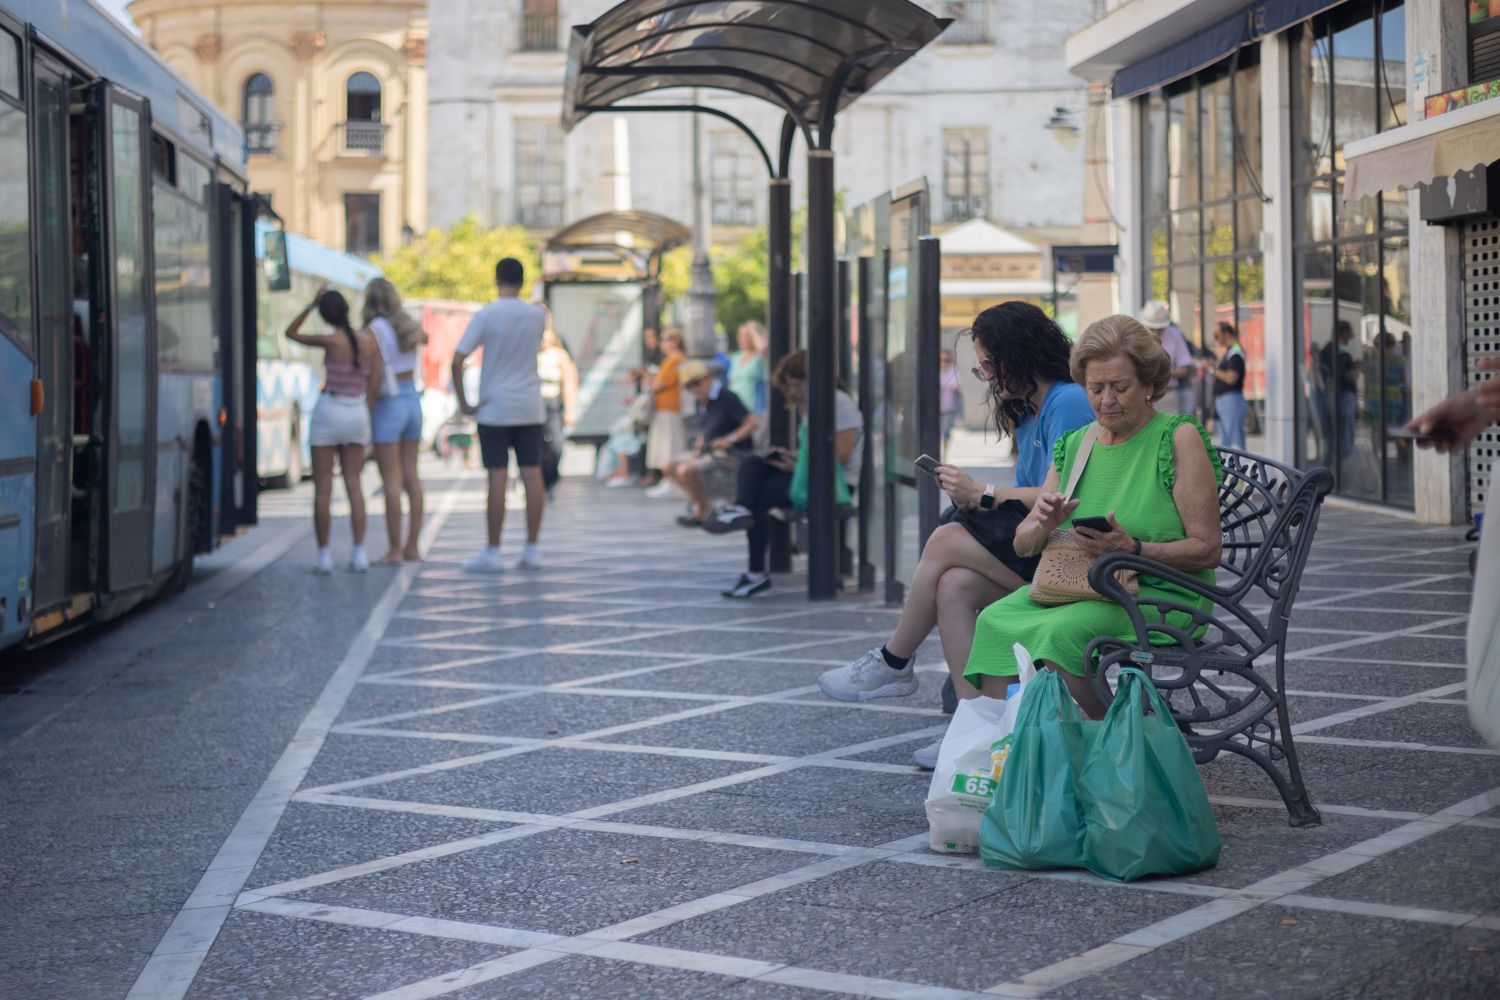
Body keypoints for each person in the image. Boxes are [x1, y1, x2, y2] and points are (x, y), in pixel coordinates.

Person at [816, 302, 1095, 768]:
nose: (985, 375)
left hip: (1069, 557)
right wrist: (981, 497)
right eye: (980, 365)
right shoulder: (1029, 412)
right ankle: (973, 732)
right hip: (1037, 548)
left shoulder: (1067, 401)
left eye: (989, 363)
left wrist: (984, 493)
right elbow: (1026, 496)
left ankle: (894, 660)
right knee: (954, 585)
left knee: (946, 540)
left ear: (1017, 353)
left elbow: (1061, 495)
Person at [961, 314, 1223, 718]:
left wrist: (1133, 548)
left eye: (1120, 387)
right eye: (1095, 388)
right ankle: (1011, 745)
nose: (1106, 401)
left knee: (1058, 634)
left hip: (1163, 596)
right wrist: (1044, 522)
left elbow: (1207, 550)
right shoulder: (1077, 443)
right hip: (1083, 587)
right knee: (995, 622)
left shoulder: (1177, 436)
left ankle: (1111, 739)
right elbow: (1023, 542)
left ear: (1149, 385)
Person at [705, 350, 862, 598]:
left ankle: (754, 568)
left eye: (796, 385)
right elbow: (816, 453)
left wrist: (800, 464)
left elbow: (840, 454)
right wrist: (793, 459)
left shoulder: (838, 402)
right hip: (813, 477)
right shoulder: (810, 404)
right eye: (788, 386)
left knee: (759, 496)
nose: (791, 392)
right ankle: (741, 511)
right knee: (754, 463)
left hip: (836, 483)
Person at [451, 258, 547, 573]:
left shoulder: (487, 315)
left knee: (497, 479)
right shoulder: (536, 316)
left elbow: (458, 358)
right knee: (532, 476)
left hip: (495, 407)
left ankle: (493, 551)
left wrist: (466, 403)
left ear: (496, 279)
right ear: (522, 280)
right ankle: (531, 549)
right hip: (530, 405)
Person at [287, 286, 382, 574]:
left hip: (329, 411)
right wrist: (364, 408)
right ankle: (359, 553)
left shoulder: (330, 340)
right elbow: (375, 383)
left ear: (326, 314)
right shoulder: (370, 341)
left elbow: (291, 333)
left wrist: (310, 305)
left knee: (323, 489)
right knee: (355, 485)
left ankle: (324, 555)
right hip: (356, 412)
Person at [365, 277, 428, 565]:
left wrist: (366, 408)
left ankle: (394, 550)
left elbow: (375, 375)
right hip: (412, 398)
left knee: (391, 479)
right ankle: (412, 545)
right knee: (411, 476)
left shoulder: (375, 329)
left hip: (388, 403)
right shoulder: (407, 325)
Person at [664, 359, 758, 527]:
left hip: (732, 453)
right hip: (708, 451)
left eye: (696, 383)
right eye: (689, 386)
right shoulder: (701, 401)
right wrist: (697, 449)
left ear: (706, 379)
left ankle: (702, 509)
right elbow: (704, 430)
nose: (694, 389)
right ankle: (703, 504)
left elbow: (751, 423)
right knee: (670, 466)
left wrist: (729, 440)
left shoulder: (726, 396)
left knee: (687, 470)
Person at [537, 310, 580, 497]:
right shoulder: (529, 353)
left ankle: (551, 477)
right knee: (536, 446)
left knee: (556, 445)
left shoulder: (559, 355)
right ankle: (538, 482)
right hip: (534, 402)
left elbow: (569, 382)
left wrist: (570, 408)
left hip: (553, 401)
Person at [642, 328, 687, 496]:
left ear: (676, 341)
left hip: (671, 408)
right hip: (662, 408)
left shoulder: (677, 360)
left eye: (666, 339)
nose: (663, 343)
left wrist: (651, 381)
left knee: (670, 447)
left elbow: (659, 384)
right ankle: (666, 479)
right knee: (662, 448)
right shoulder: (669, 360)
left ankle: (671, 481)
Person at [1139, 300, 1196, 415]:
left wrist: (1163, 373)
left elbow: (1184, 366)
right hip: (1141, 397)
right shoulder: (1137, 335)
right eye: (1152, 328)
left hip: (1167, 396)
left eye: (1160, 329)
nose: (1156, 332)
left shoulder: (1174, 334)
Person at [1318, 320, 1359, 464]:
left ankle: (1331, 467)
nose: (1351, 337)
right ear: (1343, 334)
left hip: (1332, 397)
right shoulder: (1341, 351)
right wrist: (1355, 370)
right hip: (1343, 396)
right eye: (1349, 333)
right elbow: (1349, 374)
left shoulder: (1327, 350)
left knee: (1333, 437)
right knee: (1345, 434)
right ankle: (1343, 467)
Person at [1204, 320, 1247, 450]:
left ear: (1226, 333)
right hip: (1226, 401)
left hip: (1231, 401)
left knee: (1234, 443)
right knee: (1227, 442)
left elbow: (1231, 378)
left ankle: (1240, 469)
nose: (1216, 340)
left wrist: (1211, 370)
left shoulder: (1235, 353)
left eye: (1217, 336)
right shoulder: (1231, 352)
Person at [728, 320, 768, 414]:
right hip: (735, 410)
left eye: (747, 335)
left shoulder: (759, 357)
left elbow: (762, 348)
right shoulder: (735, 357)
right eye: (740, 335)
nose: (743, 339)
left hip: (754, 412)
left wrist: (754, 331)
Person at [938, 347, 963, 458]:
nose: (944, 362)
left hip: (948, 407)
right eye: (942, 360)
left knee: (946, 433)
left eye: (947, 360)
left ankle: (944, 456)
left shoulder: (953, 371)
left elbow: (958, 386)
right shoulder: (935, 370)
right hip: (935, 408)